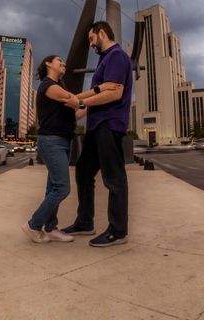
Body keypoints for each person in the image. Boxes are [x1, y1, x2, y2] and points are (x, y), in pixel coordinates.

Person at [62, 21, 133, 247]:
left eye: (92, 39)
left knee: (114, 178)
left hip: (109, 124)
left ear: (102, 33)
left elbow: (113, 93)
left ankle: (118, 231)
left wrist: (79, 100)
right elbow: (92, 101)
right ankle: (85, 222)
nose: (91, 44)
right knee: (83, 171)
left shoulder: (116, 56)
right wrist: (66, 117)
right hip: (95, 126)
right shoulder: (105, 60)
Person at [22, 55, 81, 243]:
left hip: (62, 141)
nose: (63, 63)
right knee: (62, 188)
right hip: (52, 141)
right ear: (48, 64)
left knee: (53, 188)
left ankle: (50, 227)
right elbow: (74, 100)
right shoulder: (48, 85)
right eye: (59, 61)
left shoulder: (58, 88)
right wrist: (99, 93)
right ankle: (33, 225)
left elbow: (76, 113)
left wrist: (95, 104)